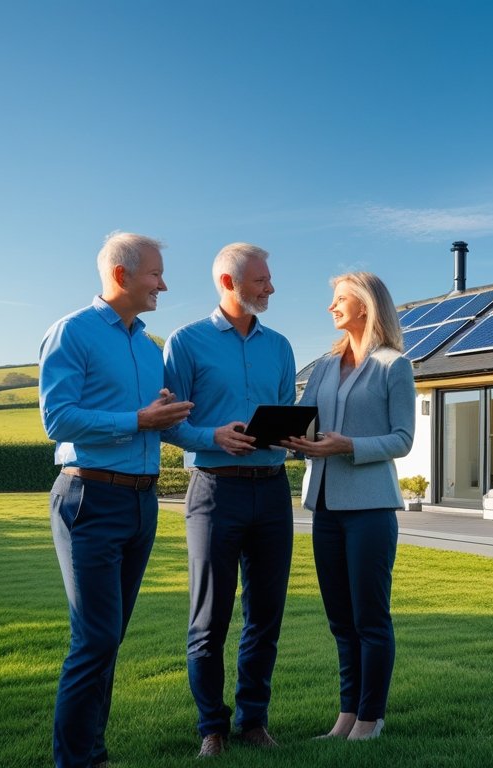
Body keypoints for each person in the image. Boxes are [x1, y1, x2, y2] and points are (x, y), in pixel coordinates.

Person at [39, 232, 194, 768]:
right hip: (89, 499)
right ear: (122, 274)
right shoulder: (72, 333)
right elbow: (56, 420)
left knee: (110, 638)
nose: (164, 284)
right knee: (96, 638)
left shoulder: (147, 348)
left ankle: (93, 753)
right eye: (155, 274)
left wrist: (216, 436)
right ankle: (77, 761)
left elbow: (160, 428)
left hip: (141, 504)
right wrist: (138, 419)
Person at [161, 243, 298, 758]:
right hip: (214, 493)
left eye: (268, 278)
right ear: (227, 282)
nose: (270, 288)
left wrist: (289, 435)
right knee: (209, 618)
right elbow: (167, 422)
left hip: (272, 491)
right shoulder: (187, 342)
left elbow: (284, 409)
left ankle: (254, 721)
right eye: (261, 280)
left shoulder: (280, 346)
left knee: (266, 614)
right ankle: (210, 728)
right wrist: (210, 436)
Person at [283, 271, 415, 742]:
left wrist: (347, 446)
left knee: (369, 618)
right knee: (340, 619)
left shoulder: (393, 365)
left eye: (339, 299)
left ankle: (370, 718)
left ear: (365, 305)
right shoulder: (323, 366)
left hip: (371, 508)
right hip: (324, 505)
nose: (331, 307)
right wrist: (292, 438)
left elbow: (403, 439)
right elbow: (305, 422)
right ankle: (346, 715)